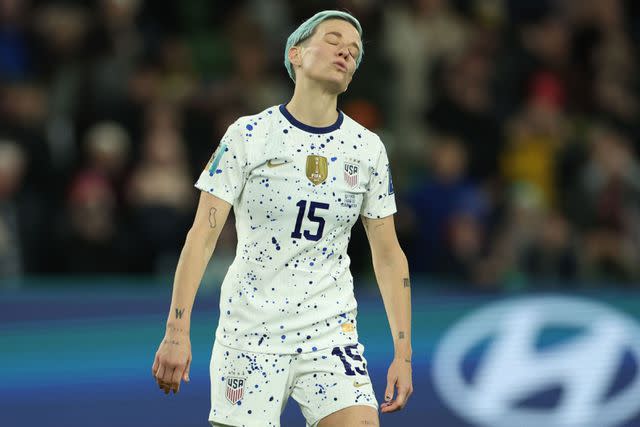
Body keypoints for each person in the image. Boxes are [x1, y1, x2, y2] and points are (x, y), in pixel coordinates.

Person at [152, 10, 413, 427]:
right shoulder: (248, 135)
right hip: (251, 334)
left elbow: (388, 256)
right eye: (333, 38)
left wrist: (403, 355)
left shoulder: (368, 149)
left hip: (330, 334)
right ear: (296, 53)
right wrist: (176, 331)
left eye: (355, 50)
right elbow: (202, 236)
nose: (347, 49)